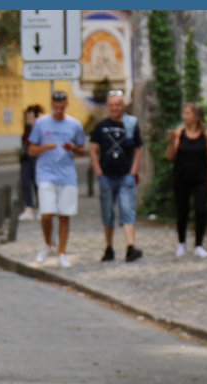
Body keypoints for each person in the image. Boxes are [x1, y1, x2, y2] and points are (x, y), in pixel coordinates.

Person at [28, 91, 86, 268]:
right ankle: (48, 244)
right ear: (52, 105)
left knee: (64, 215)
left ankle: (62, 252)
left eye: (62, 107)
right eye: (56, 107)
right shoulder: (41, 123)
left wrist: (73, 148)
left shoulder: (74, 125)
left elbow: (83, 150)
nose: (59, 110)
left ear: (67, 105)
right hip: (46, 174)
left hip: (67, 175)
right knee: (46, 214)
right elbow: (31, 150)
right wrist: (44, 146)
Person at [89, 91, 143, 262]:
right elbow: (93, 150)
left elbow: (138, 149)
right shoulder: (100, 126)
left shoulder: (131, 124)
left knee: (127, 210)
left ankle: (130, 247)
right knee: (108, 213)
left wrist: (133, 172)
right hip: (106, 176)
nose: (114, 108)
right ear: (108, 106)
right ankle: (109, 247)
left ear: (123, 106)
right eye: (111, 105)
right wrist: (98, 172)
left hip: (125, 176)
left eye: (118, 105)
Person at [167, 102, 207, 258]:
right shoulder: (179, 132)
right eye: (184, 113)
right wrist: (171, 141)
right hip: (181, 177)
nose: (184, 116)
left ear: (196, 116)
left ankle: (199, 245)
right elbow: (170, 156)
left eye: (188, 113)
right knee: (182, 211)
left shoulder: (206, 134)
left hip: (200, 178)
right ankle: (181, 243)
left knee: (200, 209)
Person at [18, 105, 45, 221]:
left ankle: (41, 208)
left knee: (37, 183)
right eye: (27, 115)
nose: (29, 117)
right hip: (25, 158)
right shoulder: (27, 128)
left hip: (36, 158)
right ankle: (28, 208)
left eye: (31, 115)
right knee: (25, 182)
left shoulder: (39, 127)